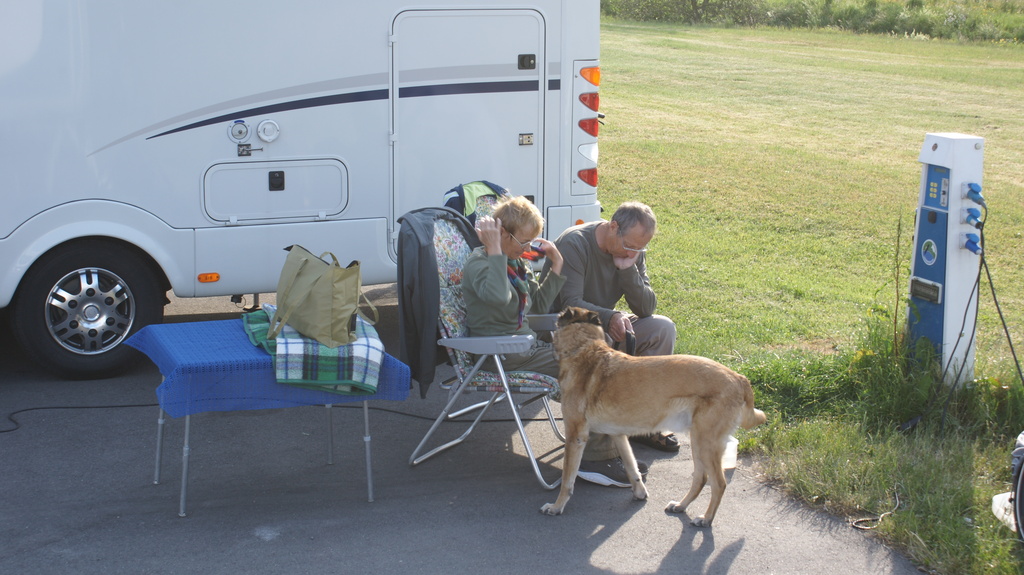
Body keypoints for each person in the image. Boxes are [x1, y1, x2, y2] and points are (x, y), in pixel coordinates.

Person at [463, 196, 649, 487]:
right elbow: (498, 298)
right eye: (524, 242)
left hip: (524, 348)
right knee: (592, 370)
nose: (528, 250)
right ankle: (595, 458)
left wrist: (557, 263)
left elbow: (536, 308)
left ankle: (602, 448)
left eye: (532, 243)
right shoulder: (481, 264)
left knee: (596, 360)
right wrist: (495, 250)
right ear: (501, 234)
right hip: (501, 353)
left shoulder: (512, 262)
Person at [548, 201, 679, 482]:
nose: (634, 252)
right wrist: (610, 317)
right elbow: (570, 304)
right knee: (601, 341)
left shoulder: (632, 251)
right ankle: (600, 454)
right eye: (630, 246)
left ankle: (646, 424)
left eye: (640, 249)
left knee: (662, 329)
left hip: (604, 324)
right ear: (613, 226)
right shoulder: (575, 244)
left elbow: (646, 309)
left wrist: (628, 270)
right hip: (565, 331)